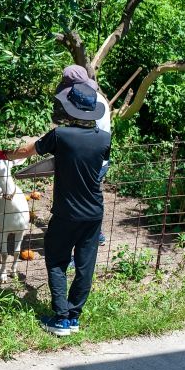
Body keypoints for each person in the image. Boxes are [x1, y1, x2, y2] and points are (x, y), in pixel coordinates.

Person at [6, 82, 110, 336]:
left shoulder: (61, 135)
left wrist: (5, 155)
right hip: (94, 212)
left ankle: (60, 319)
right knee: (85, 265)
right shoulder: (104, 139)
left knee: (56, 260)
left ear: (71, 109)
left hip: (66, 212)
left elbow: (28, 151)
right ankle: (74, 317)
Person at [56, 65, 111, 246]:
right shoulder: (94, 98)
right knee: (90, 197)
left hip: (90, 159)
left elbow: (84, 135)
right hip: (99, 158)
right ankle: (97, 235)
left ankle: (79, 246)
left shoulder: (90, 103)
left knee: (80, 204)